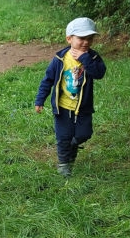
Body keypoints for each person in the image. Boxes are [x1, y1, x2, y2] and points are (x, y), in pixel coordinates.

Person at [34, 17, 107, 177]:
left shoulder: (92, 58)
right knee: (63, 137)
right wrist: (40, 99)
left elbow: (99, 73)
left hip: (83, 107)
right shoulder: (59, 59)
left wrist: (84, 58)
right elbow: (48, 80)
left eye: (90, 38)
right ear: (69, 39)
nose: (86, 42)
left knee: (84, 134)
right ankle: (64, 163)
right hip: (62, 107)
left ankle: (73, 146)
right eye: (81, 38)